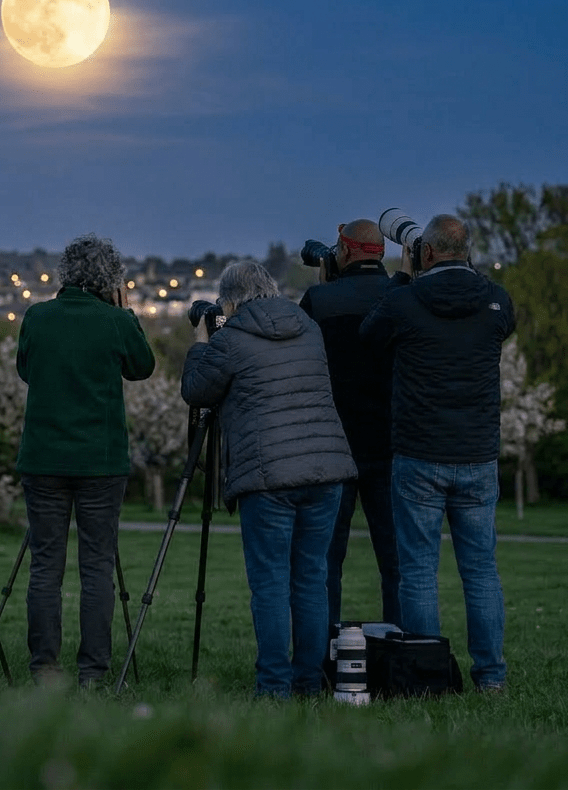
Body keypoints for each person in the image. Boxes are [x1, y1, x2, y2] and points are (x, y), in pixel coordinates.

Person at [181, 260, 356, 698]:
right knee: (312, 580)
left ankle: (274, 686)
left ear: (233, 301)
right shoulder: (308, 327)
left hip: (268, 476)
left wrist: (202, 341)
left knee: (271, 583)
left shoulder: (232, 339)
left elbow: (197, 390)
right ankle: (309, 683)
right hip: (327, 468)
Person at [361, 214, 514, 692]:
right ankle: (491, 677)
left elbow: (369, 336)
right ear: (467, 251)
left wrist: (405, 275)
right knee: (481, 572)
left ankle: (425, 677)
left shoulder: (405, 302)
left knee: (419, 573)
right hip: (477, 453)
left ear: (426, 252)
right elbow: (497, 322)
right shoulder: (495, 301)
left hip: (419, 453)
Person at [15, 234, 155, 688]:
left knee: (45, 566)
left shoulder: (37, 317)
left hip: (43, 459)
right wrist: (127, 311)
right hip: (101, 461)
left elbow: (24, 368)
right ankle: (93, 671)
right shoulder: (114, 321)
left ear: (65, 273)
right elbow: (143, 366)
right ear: (112, 280)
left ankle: (44, 667)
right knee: (97, 567)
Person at [299, 219, 400, 628]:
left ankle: (322, 652)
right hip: (392, 444)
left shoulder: (320, 301)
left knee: (325, 562)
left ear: (343, 251)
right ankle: (404, 649)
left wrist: (326, 282)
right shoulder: (401, 297)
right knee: (396, 562)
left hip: (333, 444)